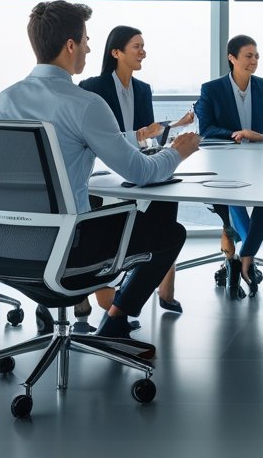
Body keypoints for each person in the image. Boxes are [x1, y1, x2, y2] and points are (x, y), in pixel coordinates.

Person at [0, 0, 199, 357]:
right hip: (68, 248)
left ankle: (103, 318)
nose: (88, 47)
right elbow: (141, 172)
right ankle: (114, 323)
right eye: (85, 40)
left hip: (5, 245)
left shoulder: (3, 101)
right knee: (169, 232)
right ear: (70, 45)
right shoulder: (84, 104)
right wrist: (178, 151)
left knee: (133, 213)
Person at [79, 25, 195, 315]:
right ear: (116, 52)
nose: (143, 51)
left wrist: (166, 133)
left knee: (168, 197)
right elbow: (98, 139)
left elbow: (147, 135)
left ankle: (163, 281)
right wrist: (141, 135)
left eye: (143, 46)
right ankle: (107, 290)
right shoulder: (92, 88)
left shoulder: (142, 89)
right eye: (136, 46)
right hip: (102, 172)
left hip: (133, 165)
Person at [195, 34, 263, 295]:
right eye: (248, 55)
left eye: (256, 55)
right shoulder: (212, 89)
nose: (254, 60)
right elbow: (206, 130)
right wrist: (239, 133)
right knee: (231, 199)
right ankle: (247, 260)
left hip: (258, 169)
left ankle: (245, 255)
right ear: (232, 58)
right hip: (221, 170)